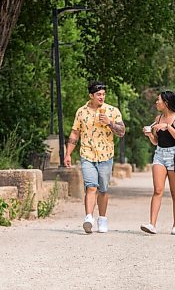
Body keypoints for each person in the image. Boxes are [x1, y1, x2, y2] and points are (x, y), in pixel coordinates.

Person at [64, 81, 125, 234]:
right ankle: (89, 218)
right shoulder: (81, 112)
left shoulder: (112, 111)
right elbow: (75, 133)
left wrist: (109, 123)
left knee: (103, 189)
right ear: (91, 95)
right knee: (91, 187)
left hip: (106, 155)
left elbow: (122, 131)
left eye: (103, 94)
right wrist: (67, 153)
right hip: (87, 154)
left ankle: (102, 219)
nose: (102, 97)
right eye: (98, 94)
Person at [141, 90, 175, 235]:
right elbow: (156, 141)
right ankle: (152, 224)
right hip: (160, 155)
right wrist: (149, 134)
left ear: (166, 103)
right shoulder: (158, 118)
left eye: (158, 100)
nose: (156, 102)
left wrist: (167, 127)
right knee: (157, 190)